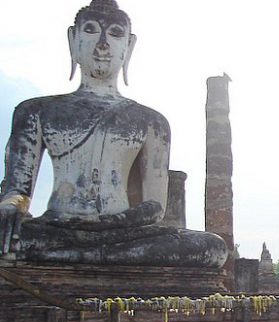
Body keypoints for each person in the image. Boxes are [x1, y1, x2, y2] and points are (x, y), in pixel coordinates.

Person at [0, 0, 227, 267]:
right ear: (73, 39)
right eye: (91, 30)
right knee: (10, 235)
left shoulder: (151, 122)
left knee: (212, 248)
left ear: (129, 46)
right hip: (57, 226)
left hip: (121, 233)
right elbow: (18, 191)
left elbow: (155, 207)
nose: (103, 44)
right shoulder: (36, 111)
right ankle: (80, 256)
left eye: (116, 33)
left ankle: (72, 258)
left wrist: (106, 223)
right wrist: (10, 207)